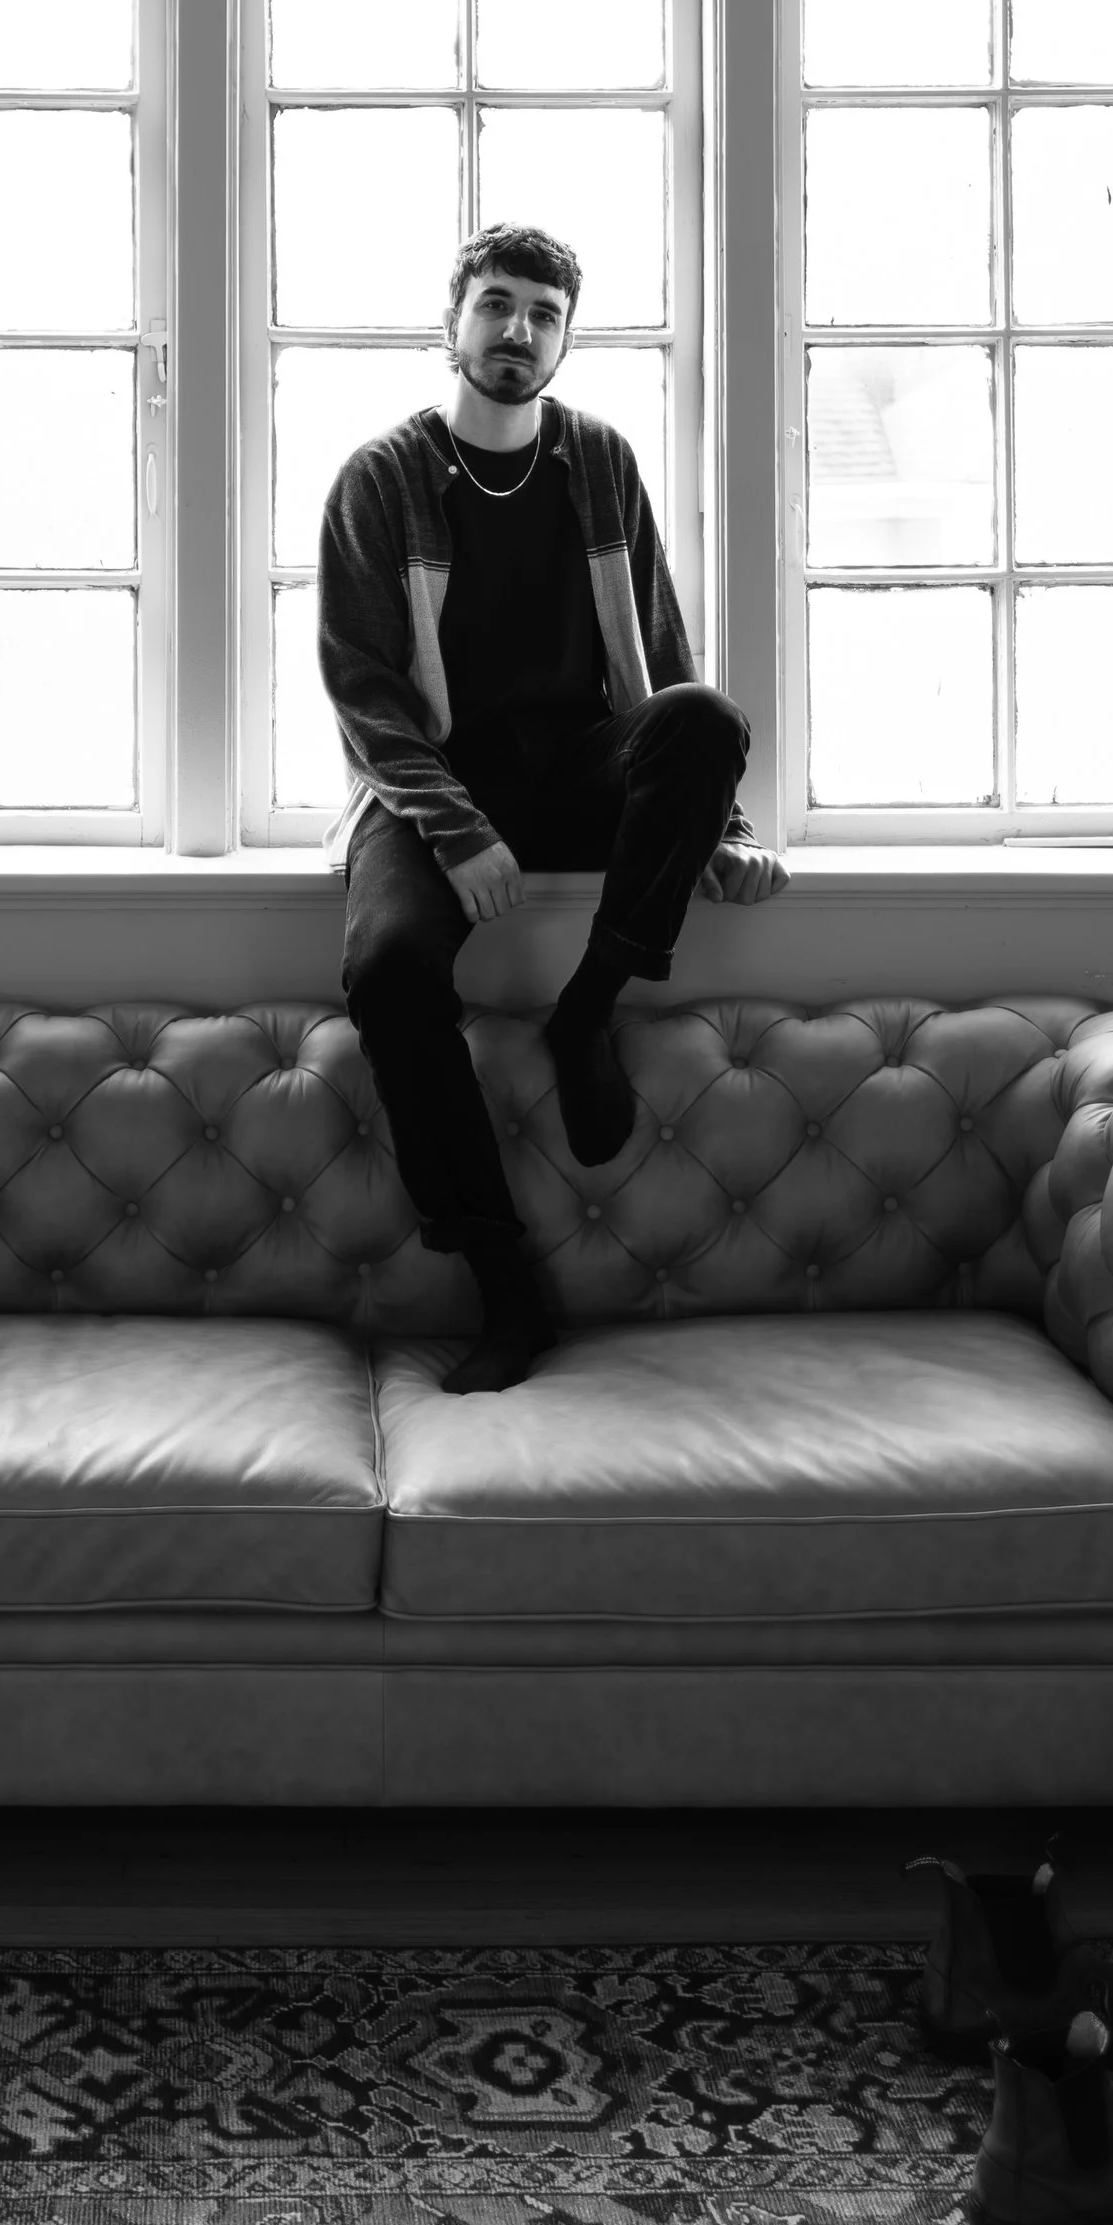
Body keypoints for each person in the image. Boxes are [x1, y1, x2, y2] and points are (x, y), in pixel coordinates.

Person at [317, 222, 787, 1394]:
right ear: (452, 323)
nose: (516, 331)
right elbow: (363, 689)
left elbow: (662, 659)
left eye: (542, 315)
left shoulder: (600, 464)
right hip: (433, 786)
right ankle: (503, 1284)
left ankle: (589, 1011)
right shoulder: (381, 479)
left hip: (577, 766)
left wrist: (717, 829)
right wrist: (457, 827)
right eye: (496, 305)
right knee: (385, 971)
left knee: (704, 717)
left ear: (564, 341)